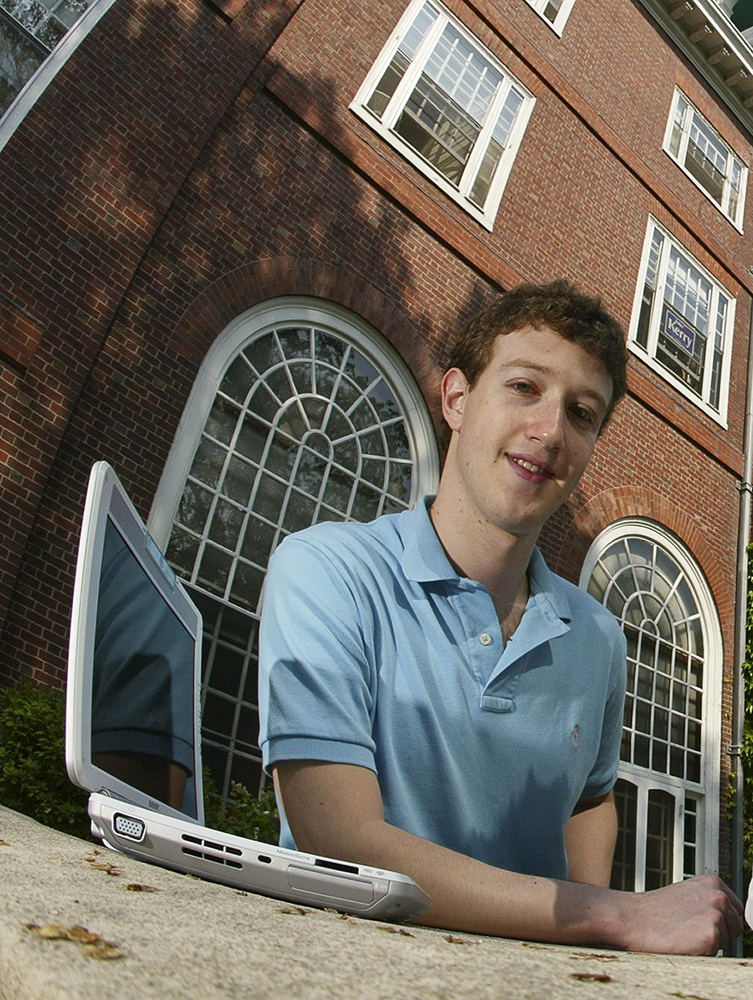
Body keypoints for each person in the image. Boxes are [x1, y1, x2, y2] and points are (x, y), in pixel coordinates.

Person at [258, 280, 743, 954]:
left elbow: (589, 799)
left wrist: (582, 947)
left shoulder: (598, 639)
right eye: (524, 388)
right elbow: (337, 839)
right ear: (455, 398)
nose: (548, 432)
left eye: (580, 412)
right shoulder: (327, 571)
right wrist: (611, 915)